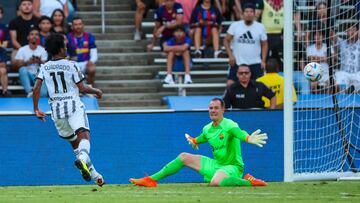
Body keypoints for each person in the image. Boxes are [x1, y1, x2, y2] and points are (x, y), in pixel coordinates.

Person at [130, 98, 268, 187]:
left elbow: (239, 133)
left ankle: (248, 181)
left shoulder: (229, 124)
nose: (212, 110)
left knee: (215, 183)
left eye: (216, 108)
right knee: (184, 156)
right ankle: (151, 180)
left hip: (232, 167)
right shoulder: (207, 128)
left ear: (223, 110)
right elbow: (201, 138)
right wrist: (193, 140)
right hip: (216, 165)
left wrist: (249, 138)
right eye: (210, 108)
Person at [33, 33, 104, 186]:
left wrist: (36, 108)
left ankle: (94, 175)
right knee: (84, 138)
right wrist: (96, 91)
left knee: (75, 143)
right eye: (64, 46)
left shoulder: (44, 67)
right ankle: (82, 161)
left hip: (56, 111)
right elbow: (82, 88)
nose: (66, 48)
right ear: (60, 49)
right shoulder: (71, 65)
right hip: (73, 106)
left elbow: (37, 87)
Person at [224, 3, 268, 86]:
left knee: (258, 86)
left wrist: (263, 60)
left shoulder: (260, 27)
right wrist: (230, 56)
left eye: (251, 12)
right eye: (246, 11)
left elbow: (264, 44)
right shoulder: (235, 25)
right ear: (243, 14)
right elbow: (226, 40)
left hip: (255, 62)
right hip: (238, 62)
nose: (249, 14)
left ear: (254, 14)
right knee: (230, 84)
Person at [15, 28, 48, 98]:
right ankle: (29, 92)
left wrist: (39, 61)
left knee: (44, 94)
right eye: (32, 34)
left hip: (39, 75)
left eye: (36, 34)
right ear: (28, 37)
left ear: (39, 37)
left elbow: (46, 66)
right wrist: (28, 62)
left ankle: (33, 95)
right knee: (22, 69)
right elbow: (17, 65)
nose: (34, 36)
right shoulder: (22, 49)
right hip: (27, 75)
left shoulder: (43, 50)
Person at [67, 17, 97, 85]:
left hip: (85, 63)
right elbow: (65, 51)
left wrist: (91, 62)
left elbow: (94, 53)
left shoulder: (89, 36)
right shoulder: (67, 37)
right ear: (72, 26)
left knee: (92, 69)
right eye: (76, 24)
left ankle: (89, 89)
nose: (78, 26)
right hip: (72, 63)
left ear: (83, 25)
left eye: (80, 24)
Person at [9, 0, 39, 66]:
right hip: (18, 49)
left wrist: (34, 50)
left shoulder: (38, 21)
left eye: (29, 4)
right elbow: (14, 41)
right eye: (24, 4)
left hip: (36, 49)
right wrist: (25, 51)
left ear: (33, 6)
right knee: (15, 62)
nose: (27, 6)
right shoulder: (13, 22)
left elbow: (40, 37)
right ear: (20, 7)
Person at [335, 24, 360, 93]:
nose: (352, 32)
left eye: (354, 30)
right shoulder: (342, 43)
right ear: (346, 32)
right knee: (338, 78)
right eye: (349, 30)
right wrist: (326, 22)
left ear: (357, 32)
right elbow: (333, 37)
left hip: (357, 72)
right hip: (344, 72)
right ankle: (342, 98)